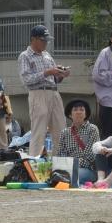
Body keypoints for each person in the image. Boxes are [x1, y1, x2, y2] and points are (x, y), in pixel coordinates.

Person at [17, 25, 69, 157]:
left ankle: (60, 165)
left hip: (54, 92)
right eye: (43, 40)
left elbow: (54, 78)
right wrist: (47, 72)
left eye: (47, 40)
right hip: (38, 93)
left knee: (61, 130)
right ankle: (34, 164)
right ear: (33, 39)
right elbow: (26, 79)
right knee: (39, 131)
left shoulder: (47, 55)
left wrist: (60, 74)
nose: (46, 43)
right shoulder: (25, 55)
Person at [55, 99, 99, 187]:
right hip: (68, 168)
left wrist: (72, 164)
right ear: (70, 115)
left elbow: (90, 156)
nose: (78, 112)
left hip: (88, 169)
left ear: (86, 114)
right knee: (54, 175)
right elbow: (61, 154)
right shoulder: (65, 132)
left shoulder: (92, 129)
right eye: (75, 110)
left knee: (73, 176)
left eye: (82, 110)